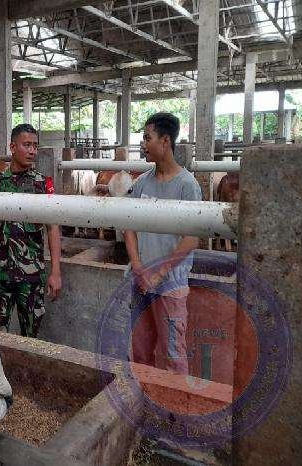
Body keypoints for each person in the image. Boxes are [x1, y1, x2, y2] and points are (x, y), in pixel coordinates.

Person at [124, 113, 202, 374]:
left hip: (170, 286)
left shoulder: (187, 185)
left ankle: (176, 400)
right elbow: (127, 224)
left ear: (165, 141)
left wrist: (159, 273)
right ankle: (144, 399)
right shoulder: (141, 183)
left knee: (173, 355)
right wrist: (138, 267)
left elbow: (191, 237)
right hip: (141, 282)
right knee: (140, 351)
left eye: (147, 138)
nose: (143, 144)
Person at [0, 124, 62, 338]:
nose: (32, 151)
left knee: (31, 335)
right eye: (27, 145)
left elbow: (53, 228)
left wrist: (56, 272)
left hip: (32, 277)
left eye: (35, 146)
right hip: (0, 275)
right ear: (12, 147)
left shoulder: (43, 185)